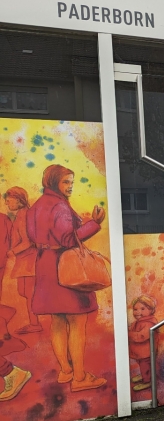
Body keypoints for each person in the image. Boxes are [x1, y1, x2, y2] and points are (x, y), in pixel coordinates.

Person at [27, 164, 107, 392]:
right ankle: (80, 378)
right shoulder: (60, 206)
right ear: (53, 182)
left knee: (58, 322)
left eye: (72, 182)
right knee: (77, 322)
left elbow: (34, 236)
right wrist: (94, 224)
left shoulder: (37, 206)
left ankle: (66, 371)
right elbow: (68, 239)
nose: (70, 187)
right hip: (65, 266)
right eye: (66, 182)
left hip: (45, 265)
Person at [5, 187, 41, 334]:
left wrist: (13, 251)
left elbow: (28, 242)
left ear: (19, 200)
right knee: (24, 292)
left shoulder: (24, 215)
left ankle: (34, 323)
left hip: (29, 260)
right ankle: (35, 321)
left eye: (9, 201)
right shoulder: (21, 214)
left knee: (29, 293)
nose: (7, 204)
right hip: (24, 260)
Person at [128, 295, 158, 393]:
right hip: (140, 352)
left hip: (146, 352)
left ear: (151, 310)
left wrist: (128, 334)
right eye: (135, 309)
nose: (138, 312)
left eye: (142, 309)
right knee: (143, 366)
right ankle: (145, 374)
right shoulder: (139, 322)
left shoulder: (148, 323)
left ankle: (147, 381)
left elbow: (141, 336)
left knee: (145, 366)